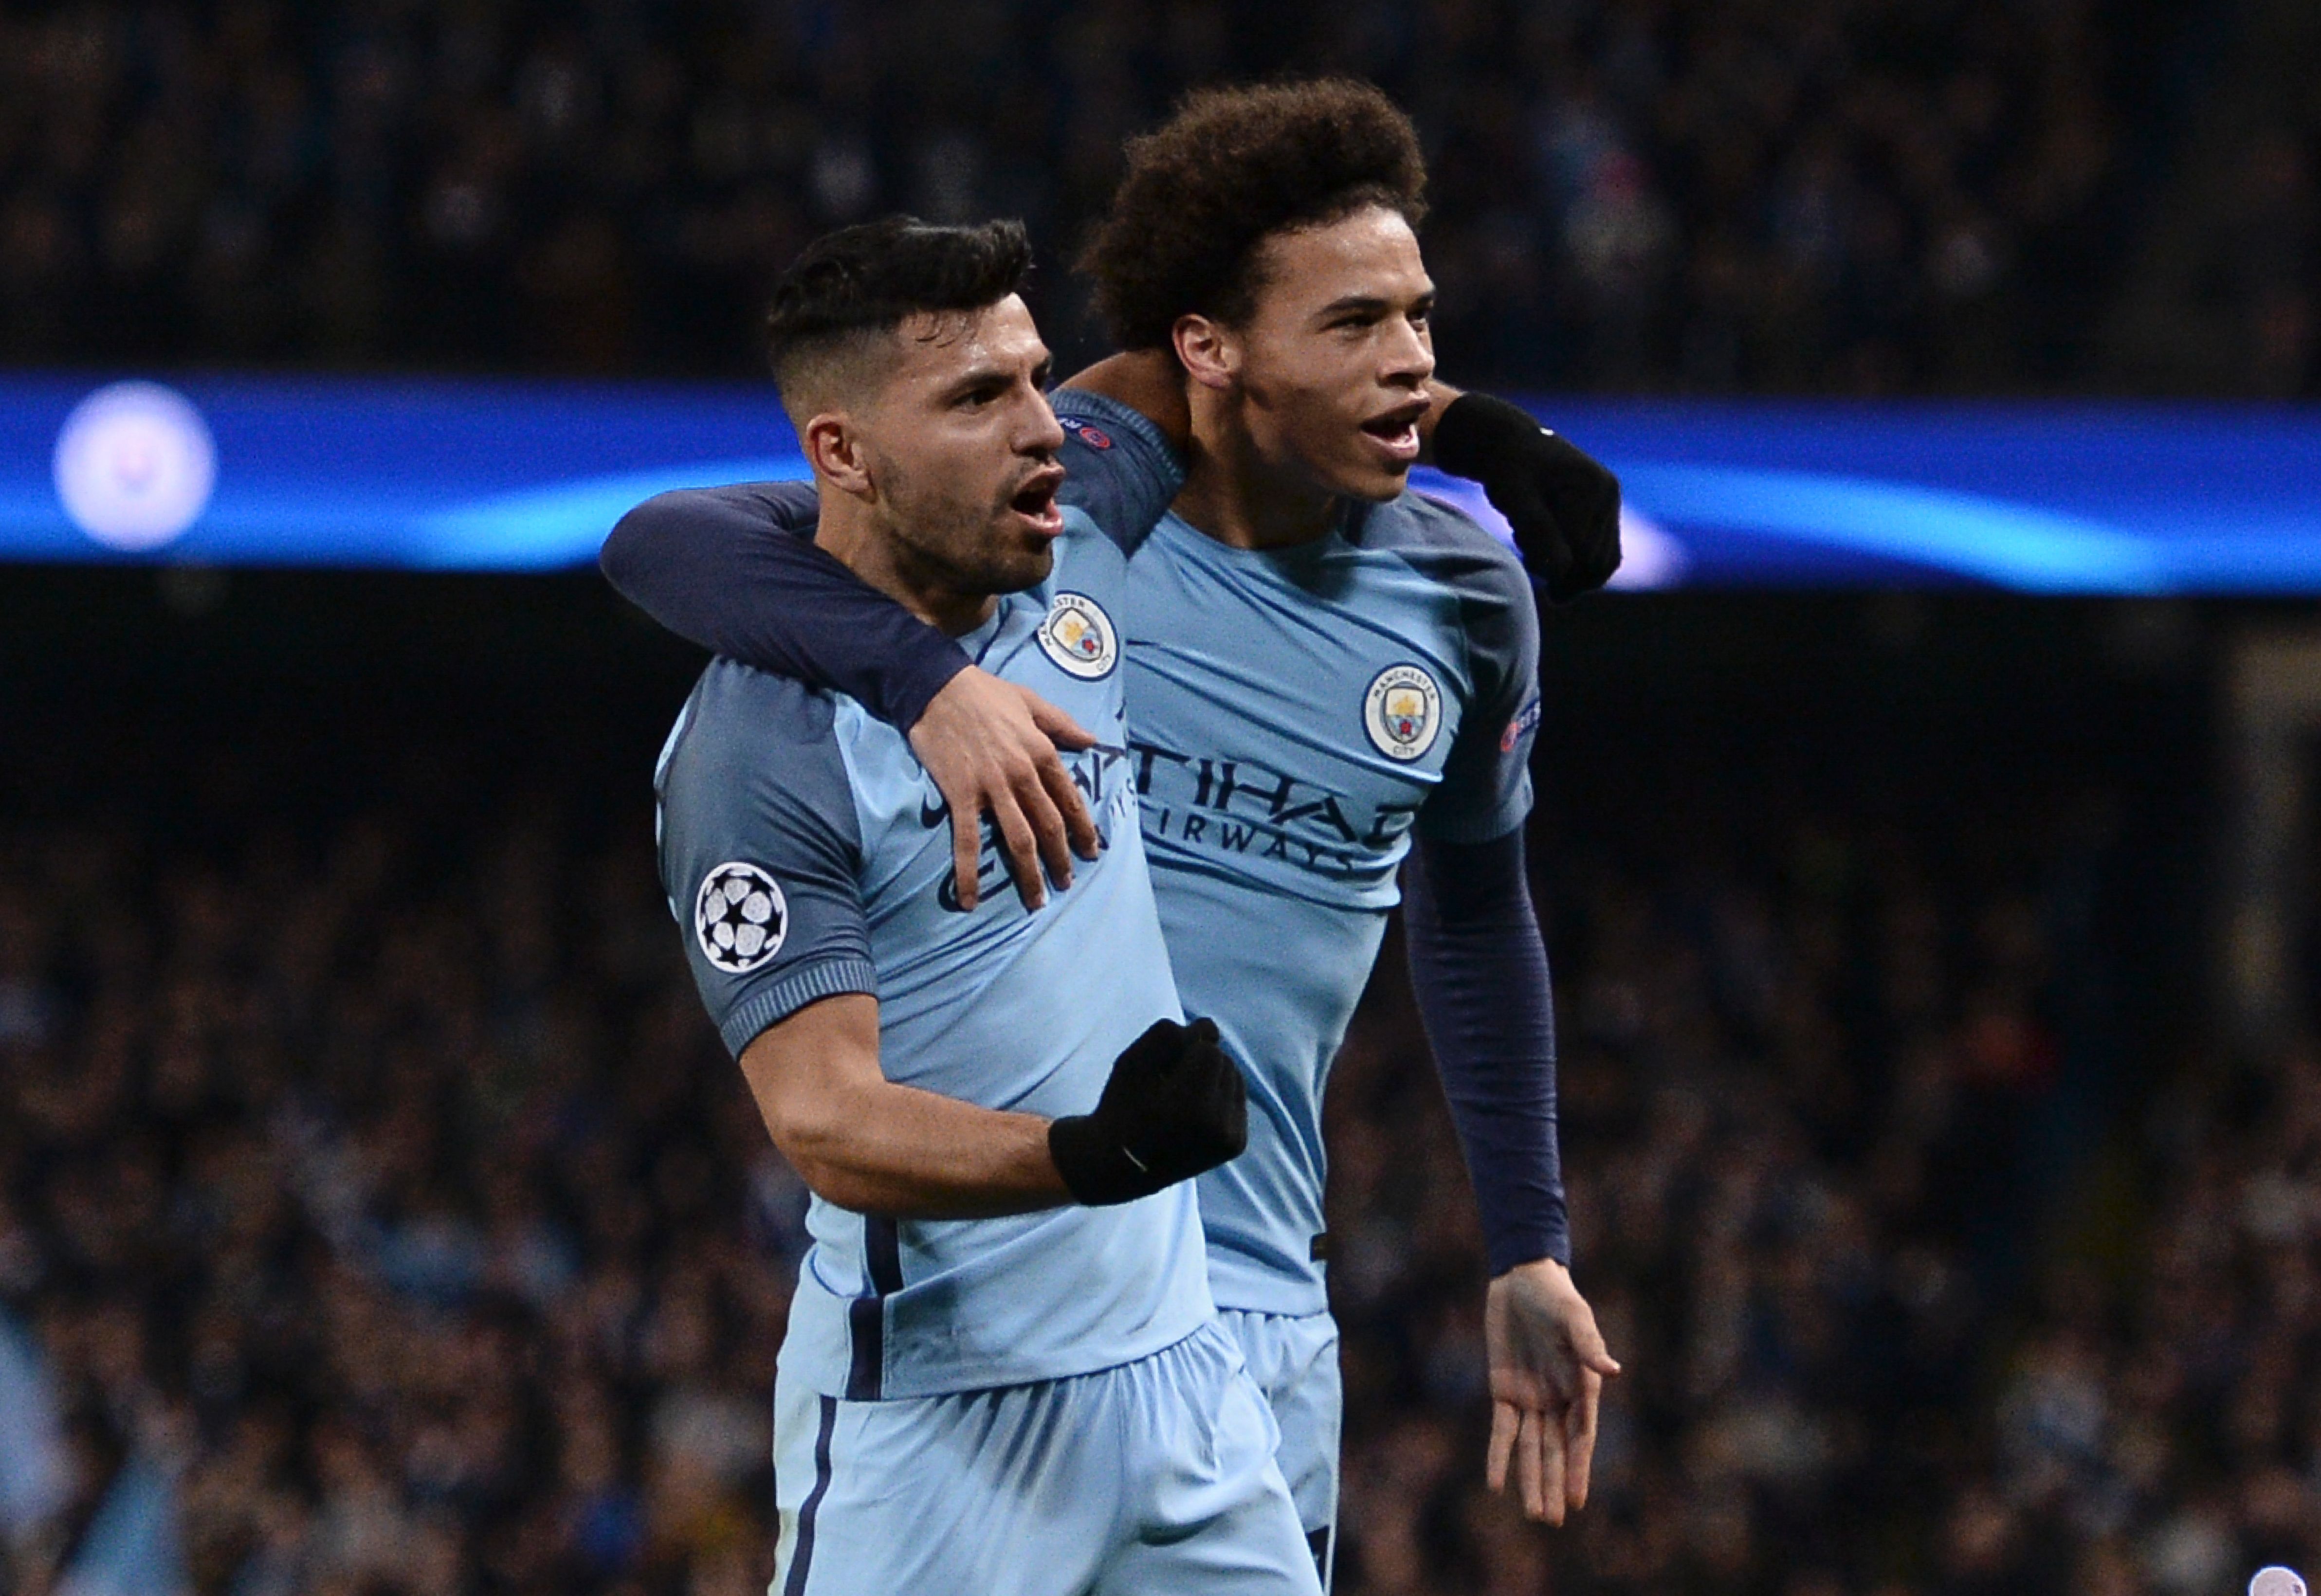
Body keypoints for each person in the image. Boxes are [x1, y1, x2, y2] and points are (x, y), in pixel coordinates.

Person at [606, 81, 1618, 1578]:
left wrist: (1528, 1237)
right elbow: (670, 537)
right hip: (974, 1335)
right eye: (1357, 324)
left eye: (1422, 318)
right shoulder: (1070, 534)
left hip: (1244, 1319)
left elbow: (1472, 909)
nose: (1037, 427)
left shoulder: (1466, 602)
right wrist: (928, 681)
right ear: (1205, 351)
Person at [651, 214, 1320, 1595]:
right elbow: (825, 1118)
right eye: (977, 397)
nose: (1044, 430)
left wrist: (1489, 434)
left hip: (1186, 1386)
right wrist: (1088, 1155)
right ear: (843, 455)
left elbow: (1229, 361)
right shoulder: (760, 747)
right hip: (941, 1433)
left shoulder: (1065, 545)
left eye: (1035, 377)